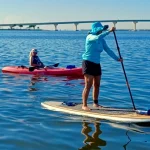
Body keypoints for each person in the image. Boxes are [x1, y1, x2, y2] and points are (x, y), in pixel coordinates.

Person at [82, 22, 123, 111]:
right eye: (100, 30)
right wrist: (109, 32)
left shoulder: (102, 40)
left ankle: (95, 103)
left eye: (102, 30)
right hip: (88, 63)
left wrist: (117, 58)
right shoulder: (90, 37)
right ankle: (84, 105)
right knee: (88, 85)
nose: (101, 31)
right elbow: (97, 37)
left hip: (97, 63)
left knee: (97, 84)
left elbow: (108, 50)